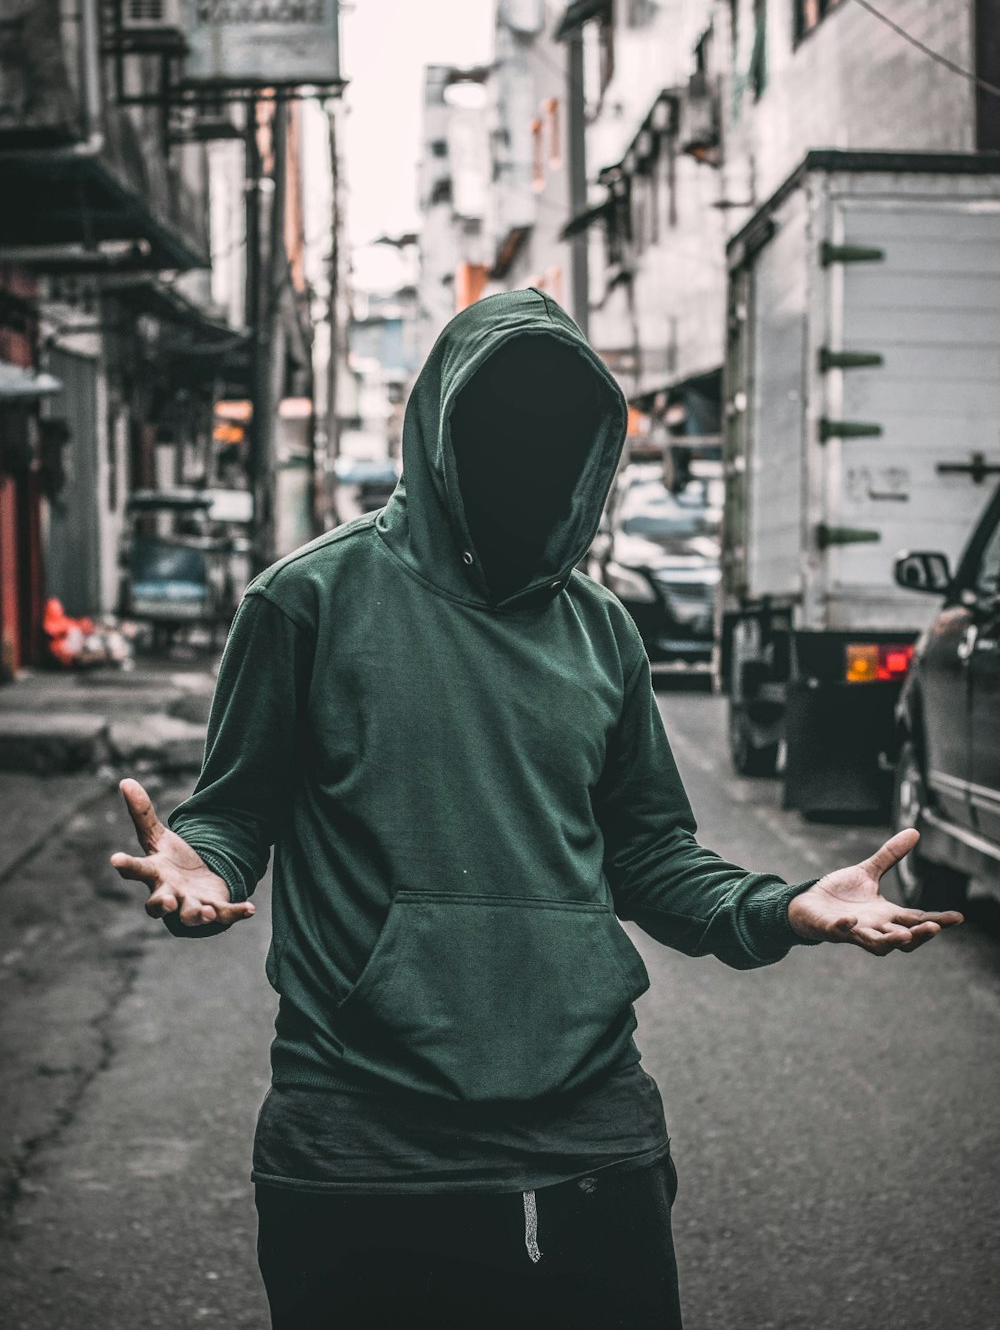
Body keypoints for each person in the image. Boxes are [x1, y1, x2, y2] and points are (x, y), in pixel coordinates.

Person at [112, 288, 962, 1330]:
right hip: (358, 1138)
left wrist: (783, 907)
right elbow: (236, 809)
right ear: (439, 431)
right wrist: (199, 860)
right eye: (501, 429)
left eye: (562, 436)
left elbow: (648, 855)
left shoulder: (600, 632)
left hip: (590, 1135)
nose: (533, 460)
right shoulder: (308, 601)